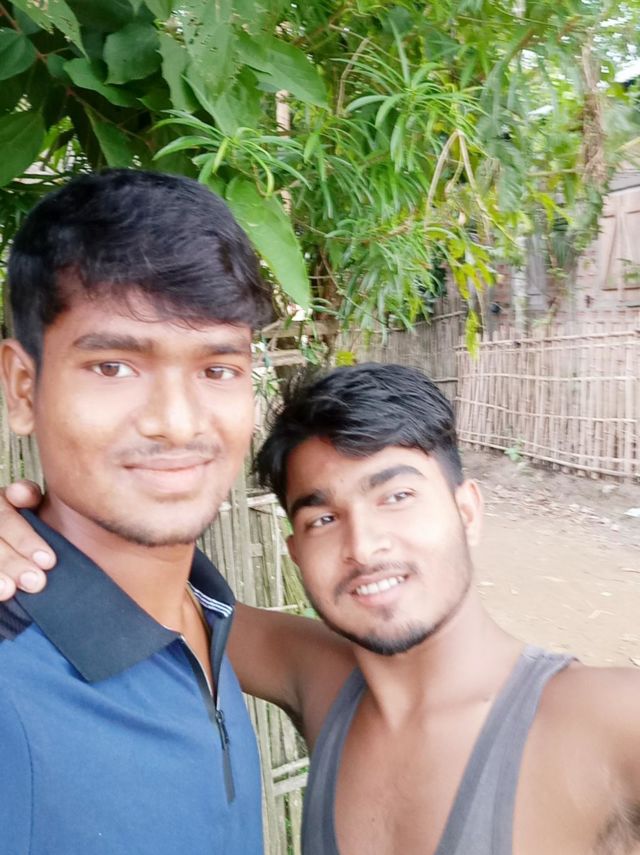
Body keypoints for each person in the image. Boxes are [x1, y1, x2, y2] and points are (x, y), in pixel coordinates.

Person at [2, 364, 640, 854]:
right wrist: (21, 535)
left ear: (466, 511)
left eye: (396, 497)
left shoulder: (607, 718)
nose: (364, 546)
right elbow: (145, 592)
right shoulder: (319, 677)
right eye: (324, 518)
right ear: (296, 552)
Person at [0, 169, 273, 854]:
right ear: (23, 389)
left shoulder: (207, 612)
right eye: (114, 366)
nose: (177, 423)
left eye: (217, 369)